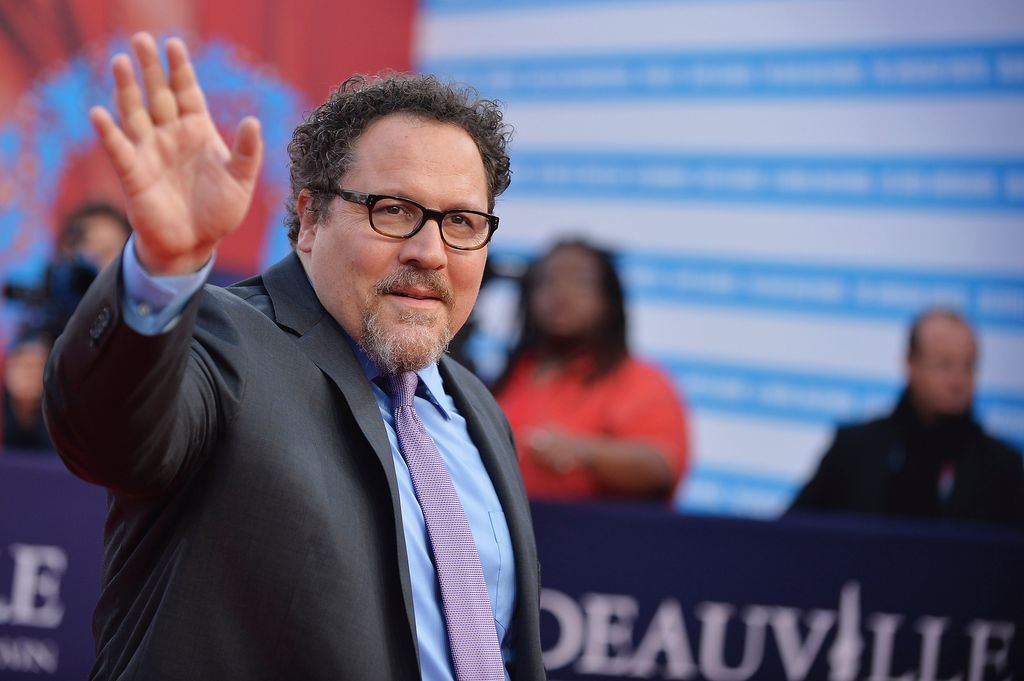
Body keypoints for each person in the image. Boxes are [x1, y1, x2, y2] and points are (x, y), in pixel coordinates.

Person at [43, 32, 544, 680]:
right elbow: (106, 431)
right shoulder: (226, 340)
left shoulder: (475, 408)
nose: (431, 251)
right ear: (310, 220)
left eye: (463, 223)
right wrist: (163, 269)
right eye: (393, 210)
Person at [493, 239, 688, 502]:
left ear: (609, 300)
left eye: (581, 281)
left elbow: (660, 468)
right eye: (547, 281)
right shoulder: (512, 374)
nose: (561, 291)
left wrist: (581, 451)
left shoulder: (640, 379)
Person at [790, 308, 1024, 528]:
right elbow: (789, 535)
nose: (958, 381)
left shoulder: (1005, 470)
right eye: (944, 365)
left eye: (968, 366)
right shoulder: (853, 450)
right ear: (910, 364)